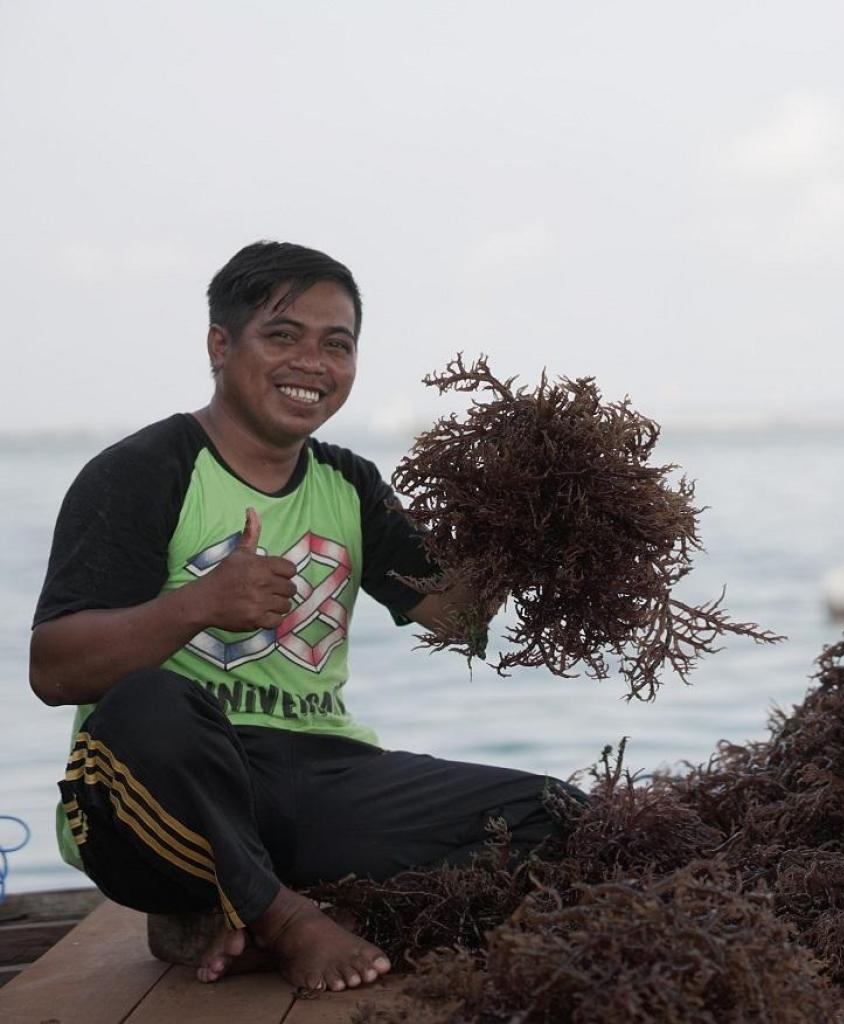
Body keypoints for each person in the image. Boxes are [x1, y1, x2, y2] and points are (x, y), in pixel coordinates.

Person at [29, 241, 577, 993]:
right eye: (283, 335)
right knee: (144, 703)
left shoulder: (350, 483)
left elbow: (458, 617)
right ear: (220, 345)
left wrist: (529, 524)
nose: (313, 363)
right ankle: (284, 918)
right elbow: (54, 670)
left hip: (320, 775)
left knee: (557, 815)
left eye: (337, 344)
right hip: (166, 801)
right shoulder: (144, 471)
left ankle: (257, 914)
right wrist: (200, 604)